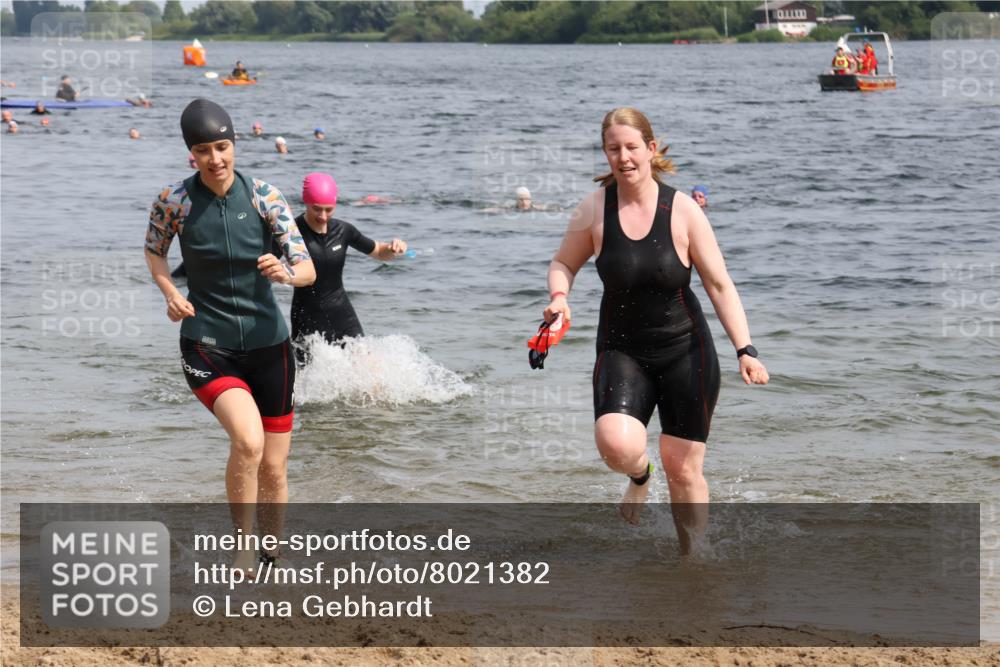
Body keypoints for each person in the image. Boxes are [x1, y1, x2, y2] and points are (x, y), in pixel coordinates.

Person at [543, 108, 768, 554]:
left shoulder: (682, 210)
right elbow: (563, 262)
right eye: (613, 149)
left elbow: (719, 284)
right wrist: (559, 297)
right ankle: (639, 478)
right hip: (622, 349)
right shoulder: (594, 210)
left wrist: (745, 349)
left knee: (683, 469)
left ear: (650, 149)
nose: (623, 157)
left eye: (631, 147)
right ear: (605, 153)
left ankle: (692, 558)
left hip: (687, 351)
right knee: (614, 443)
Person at [143, 98, 316, 571]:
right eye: (204, 150)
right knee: (248, 442)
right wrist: (168, 292)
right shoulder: (174, 201)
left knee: (275, 468)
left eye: (222, 147)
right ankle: (241, 544)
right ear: (191, 155)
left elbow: (308, 270)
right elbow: (155, 254)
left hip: (270, 348)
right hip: (207, 343)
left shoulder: (264, 196)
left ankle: (272, 552)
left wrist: (284, 272)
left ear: (234, 144)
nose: (215, 159)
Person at [285, 172, 407, 350]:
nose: (323, 216)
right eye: (317, 208)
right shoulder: (291, 233)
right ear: (306, 203)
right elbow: (262, 261)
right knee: (311, 375)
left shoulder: (343, 230)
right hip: (307, 316)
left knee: (365, 363)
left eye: (329, 209)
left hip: (341, 311)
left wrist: (393, 248)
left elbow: (379, 252)